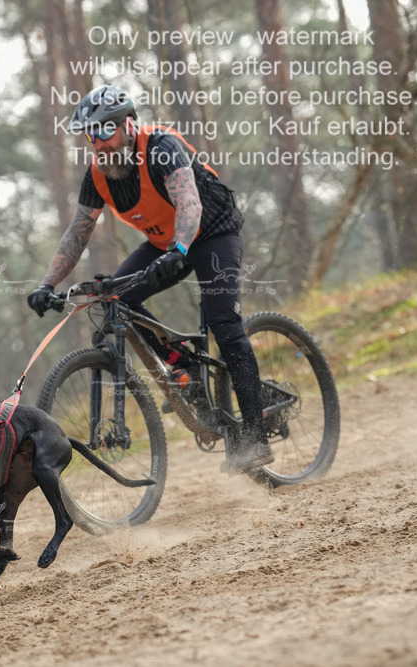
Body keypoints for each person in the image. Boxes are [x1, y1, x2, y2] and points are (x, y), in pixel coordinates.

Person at [26, 83, 272, 474]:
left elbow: (188, 201)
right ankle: (184, 365)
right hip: (165, 240)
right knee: (116, 298)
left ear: (128, 123)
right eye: (92, 135)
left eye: (106, 130)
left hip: (212, 231)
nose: (99, 142)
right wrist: (46, 284)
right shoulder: (99, 174)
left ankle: (255, 436)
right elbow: (78, 232)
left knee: (224, 324)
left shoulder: (159, 147)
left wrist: (180, 250)